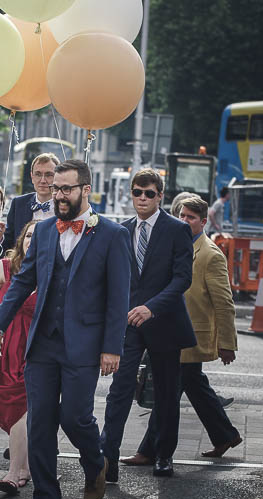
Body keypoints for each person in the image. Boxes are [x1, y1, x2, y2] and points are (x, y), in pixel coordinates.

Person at [0, 159, 130, 499]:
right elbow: (21, 282)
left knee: (75, 417)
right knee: (41, 423)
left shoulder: (112, 234)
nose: (59, 194)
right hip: (43, 344)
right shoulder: (45, 231)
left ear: (85, 190)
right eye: (57, 189)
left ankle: (95, 462)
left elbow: (119, 296)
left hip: (84, 343)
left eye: (67, 188)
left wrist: (113, 346)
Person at [123, 196, 243, 465]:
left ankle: (150, 451)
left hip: (190, 336)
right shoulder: (169, 243)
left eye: (191, 217)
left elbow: (224, 302)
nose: (185, 220)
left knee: (169, 393)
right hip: (166, 330)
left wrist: (227, 342)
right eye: (182, 215)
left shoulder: (210, 254)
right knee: (191, 385)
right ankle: (225, 434)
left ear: (203, 222)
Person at [100, 168, 196, 481]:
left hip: (165, 321)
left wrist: (151, 308)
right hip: (128, 323)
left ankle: (163, 455)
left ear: (160, 196)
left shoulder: (177, 229)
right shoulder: (120, 230)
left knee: (167, 393)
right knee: (119, 389)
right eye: (137, 193)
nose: (142, 198)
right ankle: (108, 458)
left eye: (149, 193)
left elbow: (182, 278)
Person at [0, 219, 38, 495]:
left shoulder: (52, 272)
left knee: (21, 404)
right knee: (6, 404)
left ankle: (14, 471)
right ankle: (25, 466)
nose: (31, 240)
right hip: (3, 346)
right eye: (28, 235)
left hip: (33, 347)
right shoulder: (4, 267)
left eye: (37, 236)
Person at [2, 152, 59, 250]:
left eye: (49, 175)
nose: (43, 180)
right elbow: (8, 243)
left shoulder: (66, 206)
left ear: (57, 177)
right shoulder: (18, 204)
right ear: (32, 177)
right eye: (38, 174)